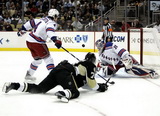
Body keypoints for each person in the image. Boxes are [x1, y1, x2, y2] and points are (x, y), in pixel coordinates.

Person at [2, 53, 108, 103]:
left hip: (58, 70)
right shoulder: (90, 65)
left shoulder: (80, 64)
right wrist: (101, 87)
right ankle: (62, 94)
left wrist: (99, 85)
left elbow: (86, 85)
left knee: (39, 89)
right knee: (75, 92)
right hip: (65, 72)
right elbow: (92, 84)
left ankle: (13, 85)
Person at [17, 9, 62, 81]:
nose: (57, 18)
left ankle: (29, 75)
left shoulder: (42, 19)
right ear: (55, 16)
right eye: (57, 16)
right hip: (37, 43)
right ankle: (54, 78)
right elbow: (49, 31)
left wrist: (22, 29)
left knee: (38, 60)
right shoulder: (51, 23)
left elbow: (31, 22)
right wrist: (55, 40)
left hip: (29, 41)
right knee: (48, 59)